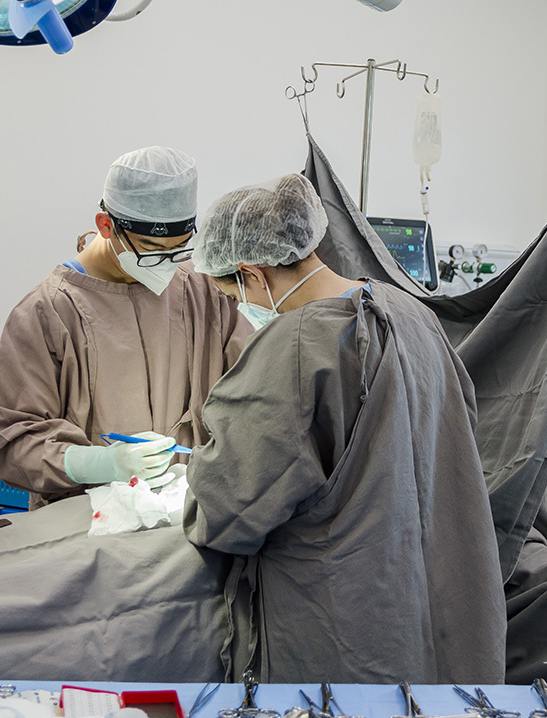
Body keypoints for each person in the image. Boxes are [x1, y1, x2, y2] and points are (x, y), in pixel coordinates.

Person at [180, 173, 506, 683]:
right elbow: (459, 424)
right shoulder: (413, 313)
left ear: (251, 272)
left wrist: (192, 475)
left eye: (230, 292)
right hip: (448, 601)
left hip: (351, 625)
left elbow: (226, 512)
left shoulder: (294, 346)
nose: (238, 307)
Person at [0, 146, 251, 509]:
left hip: (186, 519)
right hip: (87, 527)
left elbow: (252, 385)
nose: (166, 266)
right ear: (106, 226)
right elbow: (11, 440)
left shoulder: (200, 291)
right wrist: (100, 464)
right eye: (152, 249)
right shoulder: (48, 313)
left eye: (178, 250)